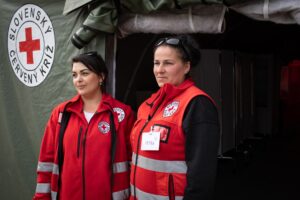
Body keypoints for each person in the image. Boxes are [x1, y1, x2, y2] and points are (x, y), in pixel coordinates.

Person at [33, 52, 135, 200]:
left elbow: (135, 165)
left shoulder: (122, 114)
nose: (78, 80)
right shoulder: (61, 114)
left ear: (101, 77)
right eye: (74, 75)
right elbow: (46, 162)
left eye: (84, 73)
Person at [130, 35, 220, 200]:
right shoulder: (147, 105)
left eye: (168, 63)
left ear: (186, 67)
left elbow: (202, 174)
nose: (159, 70)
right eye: (156, 63)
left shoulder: (197, 104)